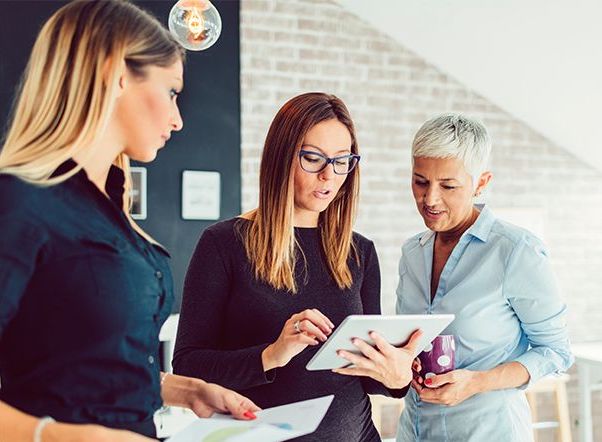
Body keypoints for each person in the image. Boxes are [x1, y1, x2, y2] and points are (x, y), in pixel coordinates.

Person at [0, 1, 258, 441]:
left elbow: (86, 367)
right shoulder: (18, 204)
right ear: (116, 72)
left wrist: (187, 390)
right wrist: (63, 435)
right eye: (173, 91)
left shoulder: (112, 210)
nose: (178, 120)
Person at [172, 92, 421, 441]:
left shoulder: (360, 251)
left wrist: (397, 379)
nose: (328, 176)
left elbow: (365, 375)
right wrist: (271, 354)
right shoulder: (224, 244)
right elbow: (187, 366)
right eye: (312, 158)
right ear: (281, 156)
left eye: (341, 161)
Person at [393, 113, 573, 441]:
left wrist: (477, 381)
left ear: (481, 182)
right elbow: (408, 342)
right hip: (414, 432)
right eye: (420, 181)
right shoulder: (412, 253)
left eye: (448, 185)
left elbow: (555, 352)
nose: (430, 199)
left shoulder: (516, 251)